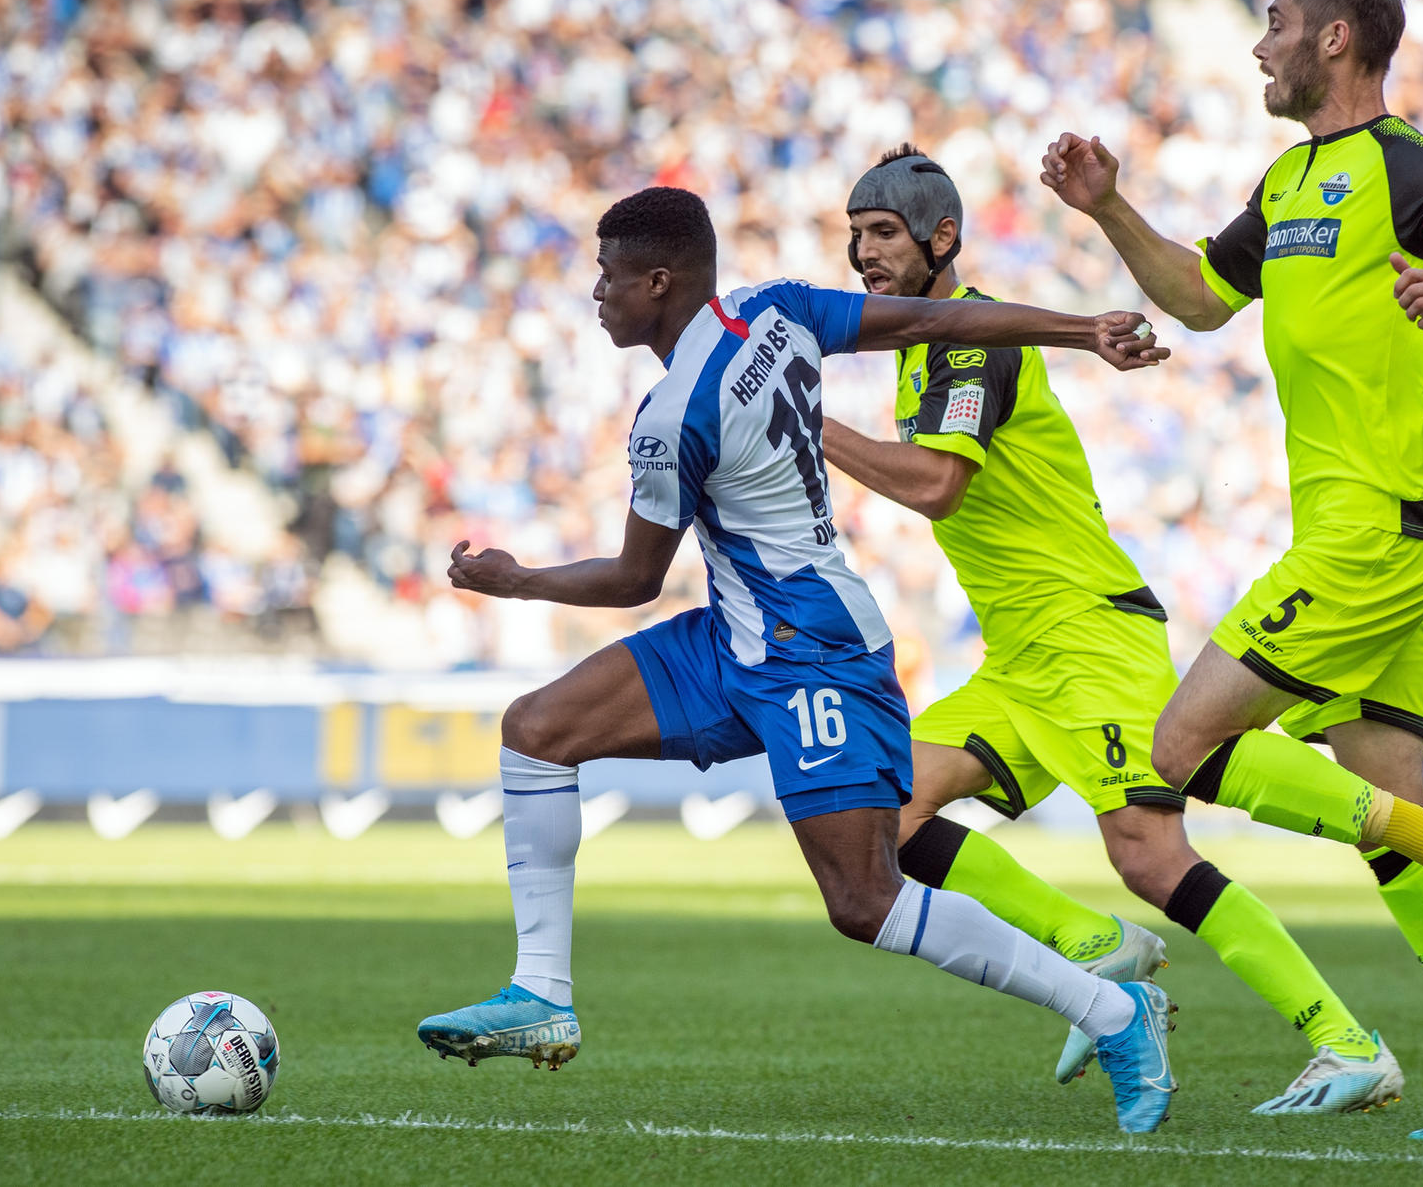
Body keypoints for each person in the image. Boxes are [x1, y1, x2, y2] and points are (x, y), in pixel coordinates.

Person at [415, 185, 1186, 1132]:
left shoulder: (672, 417)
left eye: (608, 278)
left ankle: (1114, 1009)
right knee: (536, 731)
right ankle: (541, 994)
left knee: (866, 901)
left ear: (659, 282)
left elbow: (632, 579)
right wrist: (1083, 331)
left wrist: (516, 579)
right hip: (734, 634)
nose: (596, 294)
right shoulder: (776, 310)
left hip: (816, 653)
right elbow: (938, 319)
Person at [1039, 0, 1423, 1137]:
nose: (1258, 44)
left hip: (1373, 533)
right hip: (1377, 531)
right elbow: (1203, 298)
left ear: (1334, 40)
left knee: (1178, 746)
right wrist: (1111, 209)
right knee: (1377, 813)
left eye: (1275, 25)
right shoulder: (1289, 181)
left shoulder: (1411, 167)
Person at [824, 144, 1402, 1115]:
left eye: (882, 231)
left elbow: (937, 485)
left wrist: (810, 424)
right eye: (855, 234)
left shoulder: (969, 342)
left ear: (943, 237)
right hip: (1022, 657)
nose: (863, 251)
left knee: (1147, 850)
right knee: (888, 812)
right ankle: (1098, 949)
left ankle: (1346, 1040)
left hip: (1088, 635)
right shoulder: (934, 340)